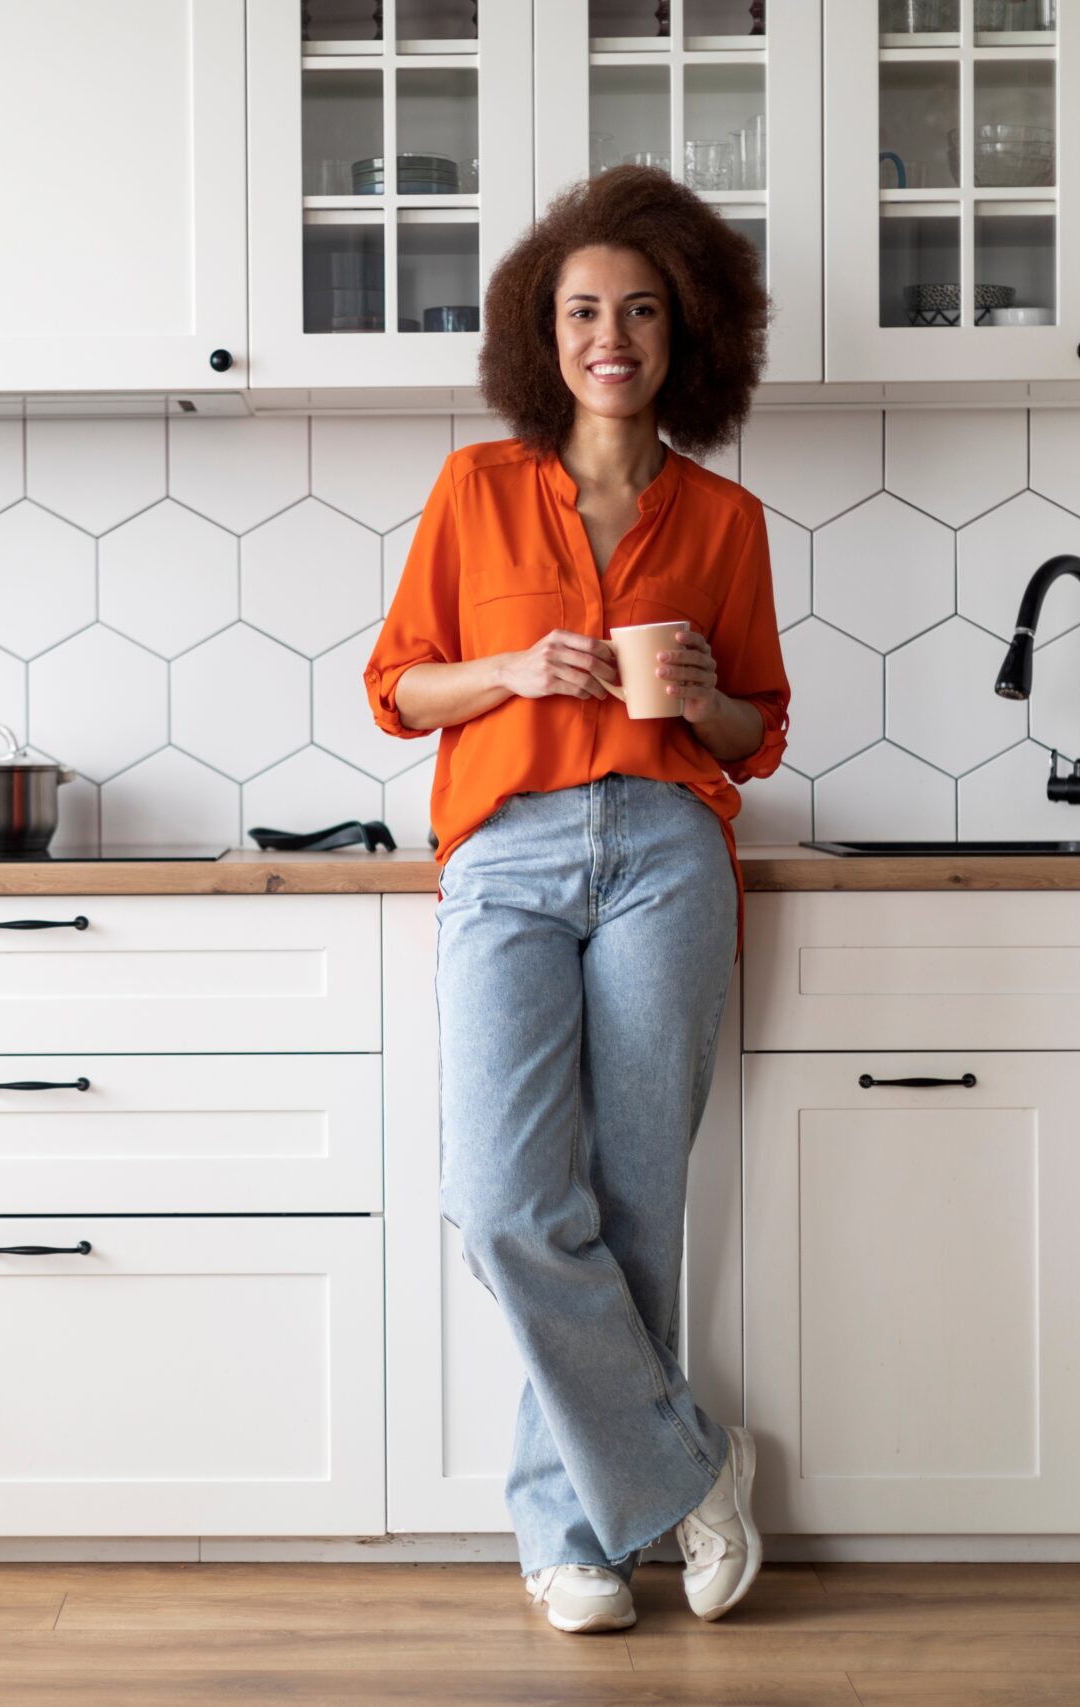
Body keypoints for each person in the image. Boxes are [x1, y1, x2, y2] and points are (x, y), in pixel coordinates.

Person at [362, 165, 791, 1635]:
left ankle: (573, 1543)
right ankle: (689, 1472)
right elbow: (397, 686)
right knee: (500, 1202)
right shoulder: (476, 490)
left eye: (643, 311)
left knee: (633, 1206)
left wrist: (705, 700)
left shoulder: (725, 521)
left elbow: (763, 730)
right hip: (510, 851)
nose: (613, 335)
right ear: (540, 333)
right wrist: (511, 670)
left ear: (689, 334)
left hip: (669, 846)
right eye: (584, 310)